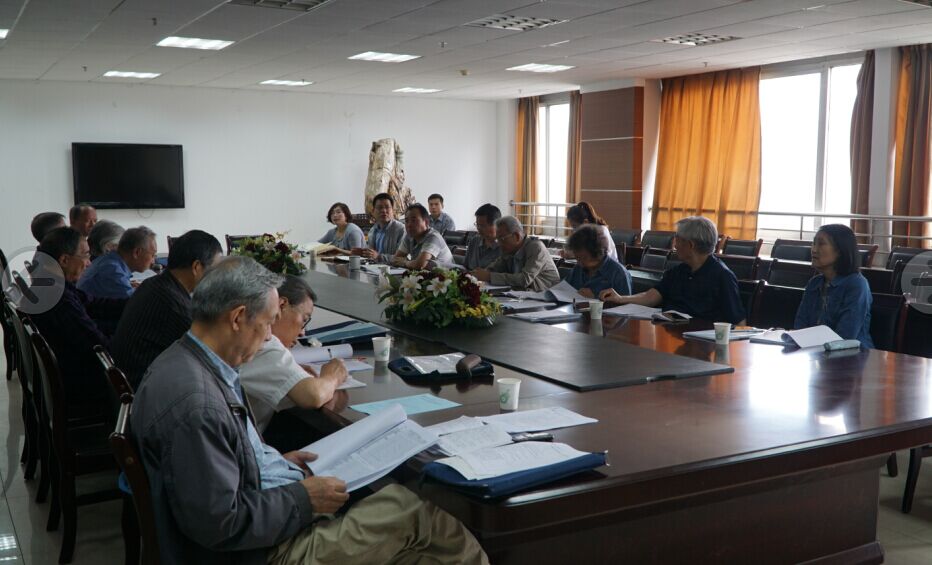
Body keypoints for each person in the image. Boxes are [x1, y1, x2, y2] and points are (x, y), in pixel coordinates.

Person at [131, 256, 488, 565]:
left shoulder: (186, 362)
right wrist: (303, 498)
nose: (269, 336)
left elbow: (215, 471)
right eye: (268, 323)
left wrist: (269, 463)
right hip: (264, 551)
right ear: (238, 317)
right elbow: (220, 523)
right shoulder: (198, 406)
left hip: (259, 516)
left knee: (419, 551)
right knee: (415, 513)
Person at [111, 230, 223, 389]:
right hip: (146, 390)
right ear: (197, 267)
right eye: (215, 269)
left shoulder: (156, 284)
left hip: (135, 379)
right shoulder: (172, 302)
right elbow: (212, 352)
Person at [240, 275, 348, 435]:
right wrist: (333, 376)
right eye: (304, 319)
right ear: (281, 305)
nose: (303, 332)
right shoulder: (263, 344)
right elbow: (314, 396)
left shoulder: (248, 335)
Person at [30, 227, 125, 404]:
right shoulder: (58, 299)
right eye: (86, 255)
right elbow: (100, 347)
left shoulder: (50, 283)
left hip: (71, 368)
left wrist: (134, 303)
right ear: (64, 260)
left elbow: (93, 304)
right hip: (81, 384)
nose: (89, 263)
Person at [599, 216, 745, 324]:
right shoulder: (678, 272)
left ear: (690, 245)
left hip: (702, 343)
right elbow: (651, 297)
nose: (674, 245)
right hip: (671, 334)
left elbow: (739, 321)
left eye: (678, 239)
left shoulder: (722, 276)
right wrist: (620, 298)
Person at [794, 224, 874, 348]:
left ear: (840, 251)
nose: (814, 250)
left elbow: (845, 336)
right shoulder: (814, 283)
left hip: (852, 355)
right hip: (815, 352)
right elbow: (800, 327)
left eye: (821, 244)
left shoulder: (857, 285)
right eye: (813, 243)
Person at [472, 216, 560, 291]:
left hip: (548, 297)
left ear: (517, 236)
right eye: (497, 239)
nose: (499, 243)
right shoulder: (508, 250)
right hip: (523, 296)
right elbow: (493, 269)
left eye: (502, 239)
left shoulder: (536, 248)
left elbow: (524, 279)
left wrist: (489, 276)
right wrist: (476, 274)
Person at [78, 226, 157, 299]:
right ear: (136, 252)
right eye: (152, 255)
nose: (153, 261)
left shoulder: (109, 260)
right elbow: (135, 303)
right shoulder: (114, 271)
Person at [564, 225, 631, 298]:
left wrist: (595, 298)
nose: (579, 261)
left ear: (596, 251)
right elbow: (564, 290)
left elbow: (624, 303)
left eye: (583, 257)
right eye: (577, 257)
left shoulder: (618, 273)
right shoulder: (578, 268)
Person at [393, 203, 453, 269]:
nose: (409, 225)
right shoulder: (409, 236)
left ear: (426, 222)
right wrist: (411, 263)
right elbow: (395, 259)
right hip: (425, 273)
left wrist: (405, 262)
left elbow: (420, 265)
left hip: (446, 274)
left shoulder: (433, 237)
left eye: (413, 220)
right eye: (406, 221)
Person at [353, 193, 405, 263]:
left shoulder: (401, 229)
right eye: (380, 207)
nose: (384, 211)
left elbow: (401, 258)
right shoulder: (372, 231)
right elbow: (372, 255)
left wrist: (379, 256)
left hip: (394, 268)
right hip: (374, 268)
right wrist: (364, 253)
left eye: (387, 207)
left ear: (393, 210)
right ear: (373, 211)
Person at [463, 203, 502, 270]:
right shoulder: (474, 241)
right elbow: (465, 266)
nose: (478, 229)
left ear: (496, 225)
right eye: (477, 225)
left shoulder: (504, 247)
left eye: (482, 225)